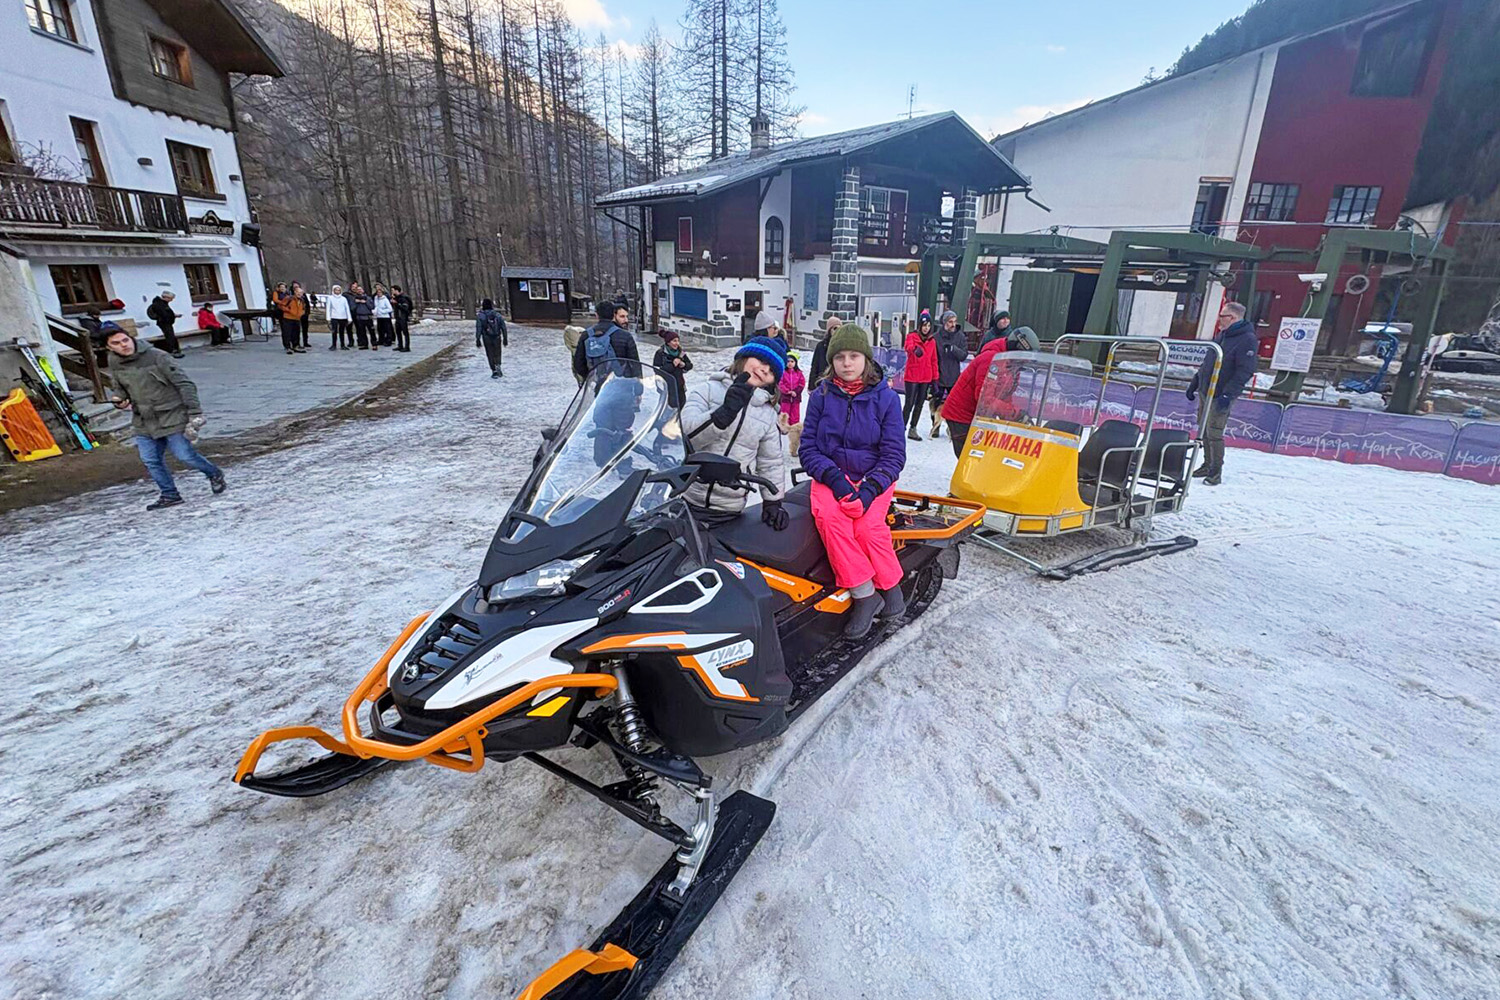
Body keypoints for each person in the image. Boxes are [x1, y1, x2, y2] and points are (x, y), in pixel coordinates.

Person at [799, 323, 907, 639]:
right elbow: (808, 448)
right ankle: (864, 595)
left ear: (866, 360)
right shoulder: (820, 396)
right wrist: (835, 479)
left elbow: (893, 454)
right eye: (840, 357)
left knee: (867, 527)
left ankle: (891, 586)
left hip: (874, 477)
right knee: (832, 520)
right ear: (831, 361)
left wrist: (871, 489)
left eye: (854, 356)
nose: (847, 363)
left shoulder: (886, 399)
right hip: (832, 474)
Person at [105, 328, 225, 509]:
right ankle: (170, 494)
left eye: (125, 340)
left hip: (172, 414)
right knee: (151, 460)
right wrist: (119, 399)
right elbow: (119, 386)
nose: (123, 345)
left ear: (131, 338)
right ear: (108, 347)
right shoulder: (114, 361)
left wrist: (194, 411)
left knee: (184, 455)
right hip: (144, 419)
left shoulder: (157, 356)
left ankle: (213, 473)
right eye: (116, 343)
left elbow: (184, 383)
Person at [681, 335, 788, 528]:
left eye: (772, 371)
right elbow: (684, 439)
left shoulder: (767, 414)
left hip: (729, 507)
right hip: (687, 494)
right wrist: (722, 414)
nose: (765, 370)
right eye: (762, 361)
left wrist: (773, 501)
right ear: (744, 357)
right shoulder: (706, 391)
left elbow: (770, 461)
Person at [1185, 301, 1258, 486]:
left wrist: (1228, 394)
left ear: (1232, 318)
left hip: (1220, 394)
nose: (1219, 319)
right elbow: (1209, 361)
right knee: (1203, 430)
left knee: (1214, 431)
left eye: (1222, 316)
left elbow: (1245, 370)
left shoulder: (1246, 339)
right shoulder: (1222, 335)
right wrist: (1196, 382)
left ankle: (1215, 471)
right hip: (1206, 390)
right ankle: (1207, 464)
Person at [941, 325, 1038, 459]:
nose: (1023, 363)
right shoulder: (991, 359)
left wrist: (1013, 417)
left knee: (986, 459)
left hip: (980, 416)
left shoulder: (1012, 365)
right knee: (972, 460)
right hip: (962, 416)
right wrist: (1014, 413)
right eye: (1023, 359)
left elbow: (1006, 395)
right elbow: (984, 400)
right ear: (1017, 349)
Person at [573, 300, 641, 380]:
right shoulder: (625, 336)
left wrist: (591, 378)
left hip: (598, 386)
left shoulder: (586, 335)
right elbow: (635, 364)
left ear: (597, 315)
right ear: (613, 315)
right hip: (621, 385)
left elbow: (578, 364)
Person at [930, 309, 968, 439]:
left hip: (953, 377)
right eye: (950, 322)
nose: (953, 324)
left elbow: (963, 355)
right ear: (944, 323)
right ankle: (935, 427)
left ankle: (951, 428)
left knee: (954, 405)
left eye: (954, 321)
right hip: (939, 375)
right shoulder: (936, 337)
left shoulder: (960, 337)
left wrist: (954, 349)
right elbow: (932, 357)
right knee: (936, 403)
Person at [901, 316, 938, 441]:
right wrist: (914, 349)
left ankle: (913, 428)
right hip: (912, 375)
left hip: (925, 376)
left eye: (928, 326)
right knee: (909, 403)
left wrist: (935, 378)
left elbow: (934, 360)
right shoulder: (912, 336)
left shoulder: (932, 341)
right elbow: (907, 346)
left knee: (919, 404)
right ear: (920, 326)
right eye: (924, 326)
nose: (926, 328)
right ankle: (901, 427)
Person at [652, 330, 693, 406]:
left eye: (678, 341)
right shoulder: (660, 353)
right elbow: (657, 369)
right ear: (668, 342)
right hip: (666, 387)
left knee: (681, 405)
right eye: (674, 341)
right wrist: (673, 365)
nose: (677, 343)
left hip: (679, 386)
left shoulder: (681, 353)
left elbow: (690, 365)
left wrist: (683, 365)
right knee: (668, 407)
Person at [778, 352, 806, 453]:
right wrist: (787, 391)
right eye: (788, 361)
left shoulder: (799, 373)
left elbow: (802, 383)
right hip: (786, 397)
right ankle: (783, 427)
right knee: (785, 413)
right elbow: (780, 383)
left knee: (795, 414)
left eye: (792, 361)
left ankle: (794, 429)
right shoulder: (783, 373)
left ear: (795, 363)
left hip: (795, 397)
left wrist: (796, 391)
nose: (790, 363)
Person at [475, 297, 508, 378]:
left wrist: (478, 339)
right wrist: (505, 338)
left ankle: (493, 369)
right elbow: (503, 327)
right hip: (497, 336)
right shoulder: (497, 315)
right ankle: (498, 365)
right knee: (497, 352)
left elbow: (479, 328)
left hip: (486, 337)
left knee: (490, 353)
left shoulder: (480, 316)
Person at [146, 290, 185, 358]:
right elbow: (164, 315)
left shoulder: (162, 303)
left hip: (166, 322)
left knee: (171, 336)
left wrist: (173, 315)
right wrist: (172, 316)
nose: (171, 300)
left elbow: (166, 313)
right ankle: (172, 351)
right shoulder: (159, 304)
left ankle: (175, 350)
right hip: (164, 322)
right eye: (171, 298)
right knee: (170, 337)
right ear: (166, 297)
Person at [808, 314, 843, 386]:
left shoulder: (843, 346)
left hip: (838, 383)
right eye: (835, 328)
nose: (837, 331)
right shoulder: (821, 346)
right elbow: (815, 366)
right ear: (829, 330)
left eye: (840, 329)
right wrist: (811, 385)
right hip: (822, 382)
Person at [274, 283, 307, 355]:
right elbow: (281, 306)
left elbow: (303, 308)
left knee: (296, 333)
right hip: (288, 318)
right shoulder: (289, 298)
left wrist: (301, 313)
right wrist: (288, 310)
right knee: (287, 333)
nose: (299, 294)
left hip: (297, 318)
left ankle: (296, 346)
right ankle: (287, 347)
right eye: (298, 292)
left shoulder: (302, 300)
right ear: (295, 292)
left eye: (301, 293)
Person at [349, 283, 376, 350]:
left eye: (360, 289)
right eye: (358, 290)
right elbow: (352, 308)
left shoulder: (368, 298)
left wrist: (365, 302)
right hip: (360, 317)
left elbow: (372, 307)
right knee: (362, 332)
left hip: (368, 317)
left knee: (372, 332)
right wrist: (357, 302)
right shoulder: (354, 299)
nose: (359, 291)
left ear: (363, 290)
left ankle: (374, 344)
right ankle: (364, 344)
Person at [325, 283, 351, 350]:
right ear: (333, 291)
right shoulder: (330, 298)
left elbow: (347, 308)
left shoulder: (344, 299)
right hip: (334, 317)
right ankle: (334, 345)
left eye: (339, 290)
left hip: (343, 317)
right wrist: (328, 318)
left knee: (342, 332)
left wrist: (349, 318)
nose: (337, 291)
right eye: (336, 290)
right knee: (334, 331)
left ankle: (342, 345)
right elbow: (328, 308)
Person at [392, 284, 414, 352]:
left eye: (392, 290)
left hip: (403, 317)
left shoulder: (403, 298)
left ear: (396, 290)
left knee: (405, 332)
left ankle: (407, 347)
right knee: (398, 332)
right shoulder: (396, 298)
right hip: (397, 317)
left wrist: (396, 304)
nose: (392, 292)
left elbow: (405, 308)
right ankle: (400, 345)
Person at [296, 283, 312, 349]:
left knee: (305, 329)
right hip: (296, 315)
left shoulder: (304, 296)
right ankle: (296, 343)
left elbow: (307, 305)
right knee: (296, 329)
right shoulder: (291, 297)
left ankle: (305, 342)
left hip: (304, 315)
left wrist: (307, 313)